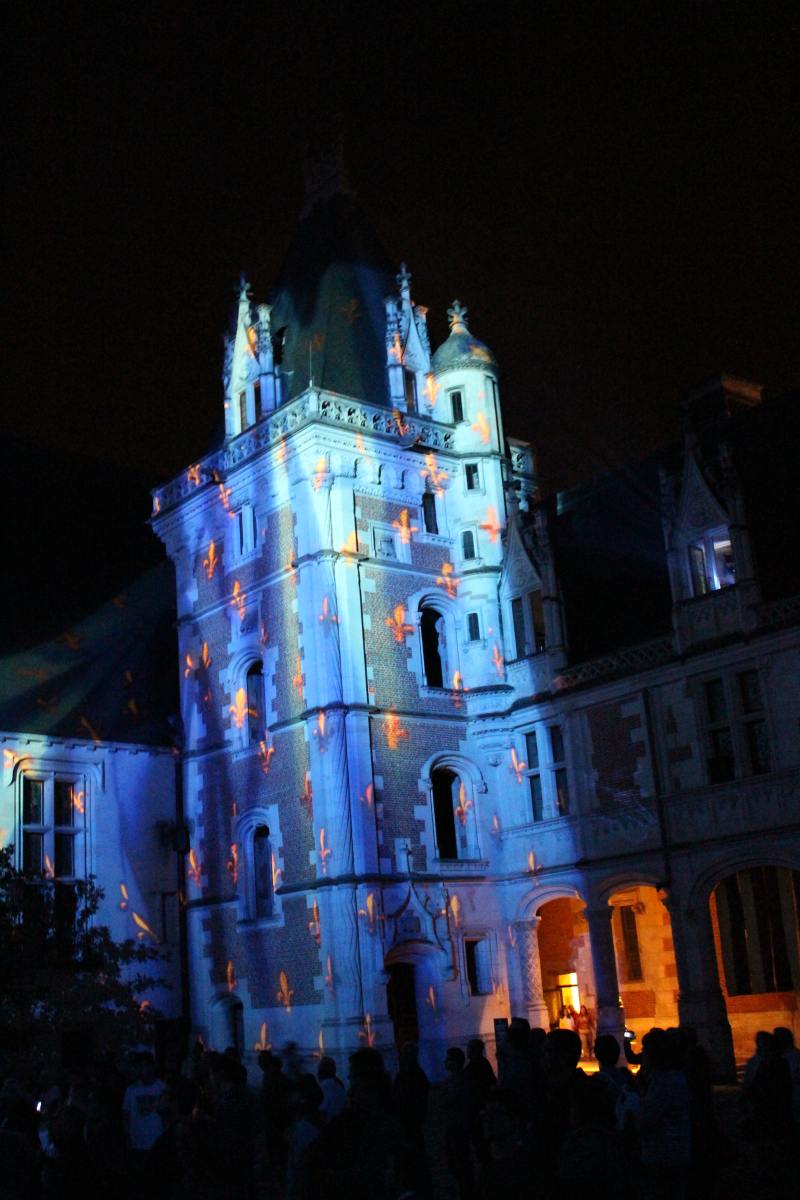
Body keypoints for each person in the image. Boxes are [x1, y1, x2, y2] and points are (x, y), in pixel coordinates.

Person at [638, 1028, 691, 1200]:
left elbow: (647, 1120)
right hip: (674, 1152)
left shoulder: (664, 1083)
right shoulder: (673, 1078)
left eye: (644, 1050)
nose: (642, 1055)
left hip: (664, 1155)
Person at [442, 1046, 479, 1199]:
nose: (445, 1062)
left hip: (458, 1124)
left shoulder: (459, 1079)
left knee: (460, 1160)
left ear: (455, 1062)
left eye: (448, 1059)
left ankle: (467, 1190)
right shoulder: (457, 1078)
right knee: (457, 1160)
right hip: (455, 1124)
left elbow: (451, 1100)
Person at [316, 1056, 346, 1122]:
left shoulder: (325, 1086)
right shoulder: (338, 1084)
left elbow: (322, 1112)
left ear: (320, 1072)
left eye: (318, 1069)